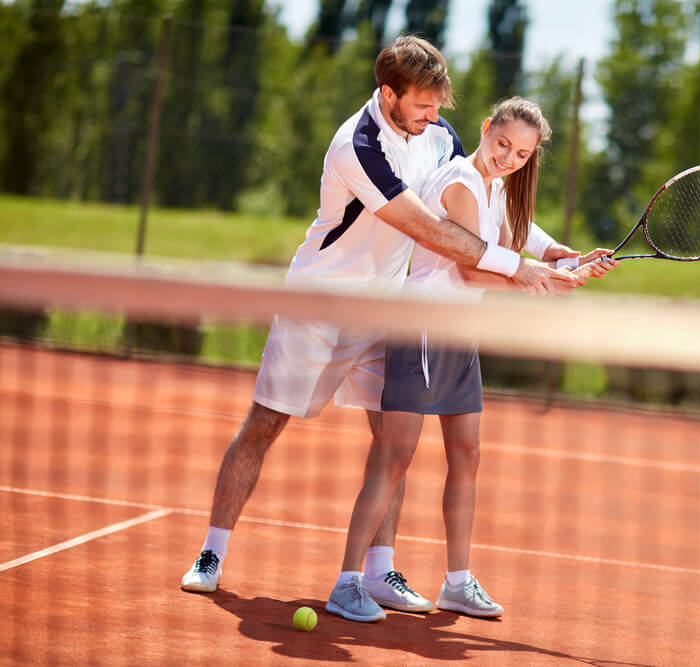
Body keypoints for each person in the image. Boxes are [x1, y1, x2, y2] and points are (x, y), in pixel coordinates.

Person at [180, 36, 590, 611]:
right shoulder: (358, 145)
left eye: (439, 106)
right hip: (321, 305)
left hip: (390, 311)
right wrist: (518, 270)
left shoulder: (440, 136)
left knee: (389, 444)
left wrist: (552, 256)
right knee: (265, 423)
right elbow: (428, 229)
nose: (433, 117)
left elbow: (488, 214)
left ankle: (379, 572)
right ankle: (211, 553)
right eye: (422, 105)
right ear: (388, 93)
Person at [325, 97, 618, 622]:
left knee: (467, 457)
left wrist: (571, 259)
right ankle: (347, 582)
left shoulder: (497, 185)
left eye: (522, 154)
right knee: (395, 458)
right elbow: (473, 268)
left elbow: (522, 238)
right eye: (503, 144)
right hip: (422, 328)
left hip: (461, 333)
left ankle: (457, 582)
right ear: (486, 129)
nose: (509, 158)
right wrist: (540, 275)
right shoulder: (460, 180)